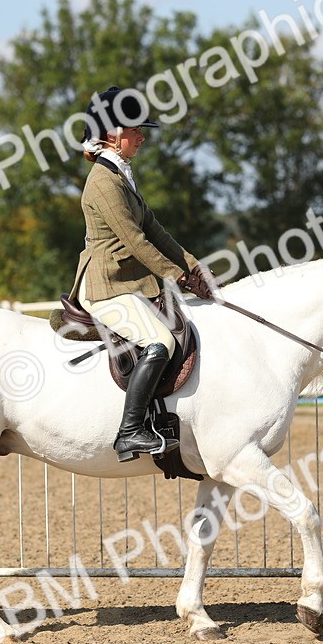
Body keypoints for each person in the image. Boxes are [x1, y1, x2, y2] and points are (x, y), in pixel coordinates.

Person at [68, 86, 216, 462]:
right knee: (160, 341)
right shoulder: (103, 182)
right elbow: (135, 242)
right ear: (113, 132)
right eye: (136, 130)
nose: (142, 136)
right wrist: (175, 276)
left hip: (127, 282)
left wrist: (194, 266)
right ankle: (130, 431)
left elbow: (155, 230)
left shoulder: (121, 175)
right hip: (106, 285)